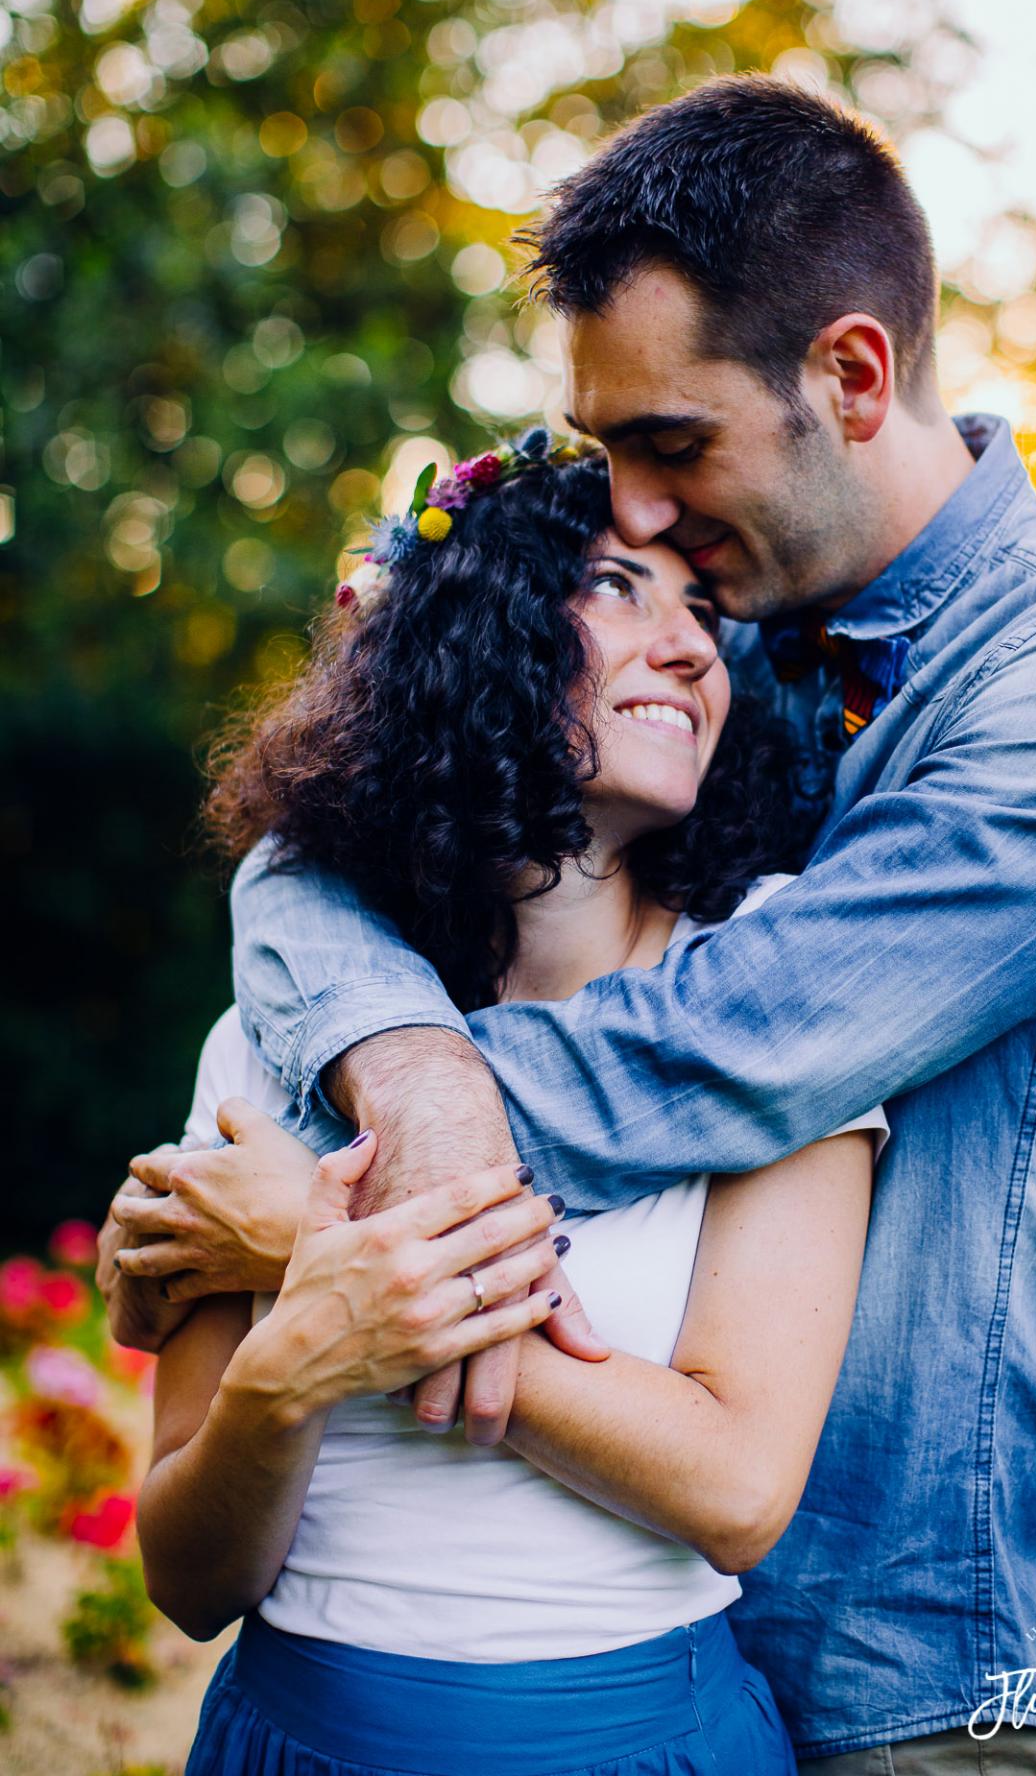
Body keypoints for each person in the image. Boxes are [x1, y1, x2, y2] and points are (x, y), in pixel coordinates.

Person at [103, 76, 1036, 1773]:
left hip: (912, 1661)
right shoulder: (742, 623)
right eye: (613, 460)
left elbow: (719, 1052)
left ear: (851, 378)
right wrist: (390, 1063)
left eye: (668, 442)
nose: (631, 509)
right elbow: (312, 864)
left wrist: (321, 1238)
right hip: (654, 1642)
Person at [122, 440, 889, 1776]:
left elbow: (738, 1489)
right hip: (292, 1740)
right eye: (615, 587)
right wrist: (289, 1375)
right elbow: (190, 1584)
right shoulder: (269, 1045)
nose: (693, 650)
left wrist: (322, 1253)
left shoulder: (773, 1012)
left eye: (704, 615)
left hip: (637, 1742)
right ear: (476, 640)